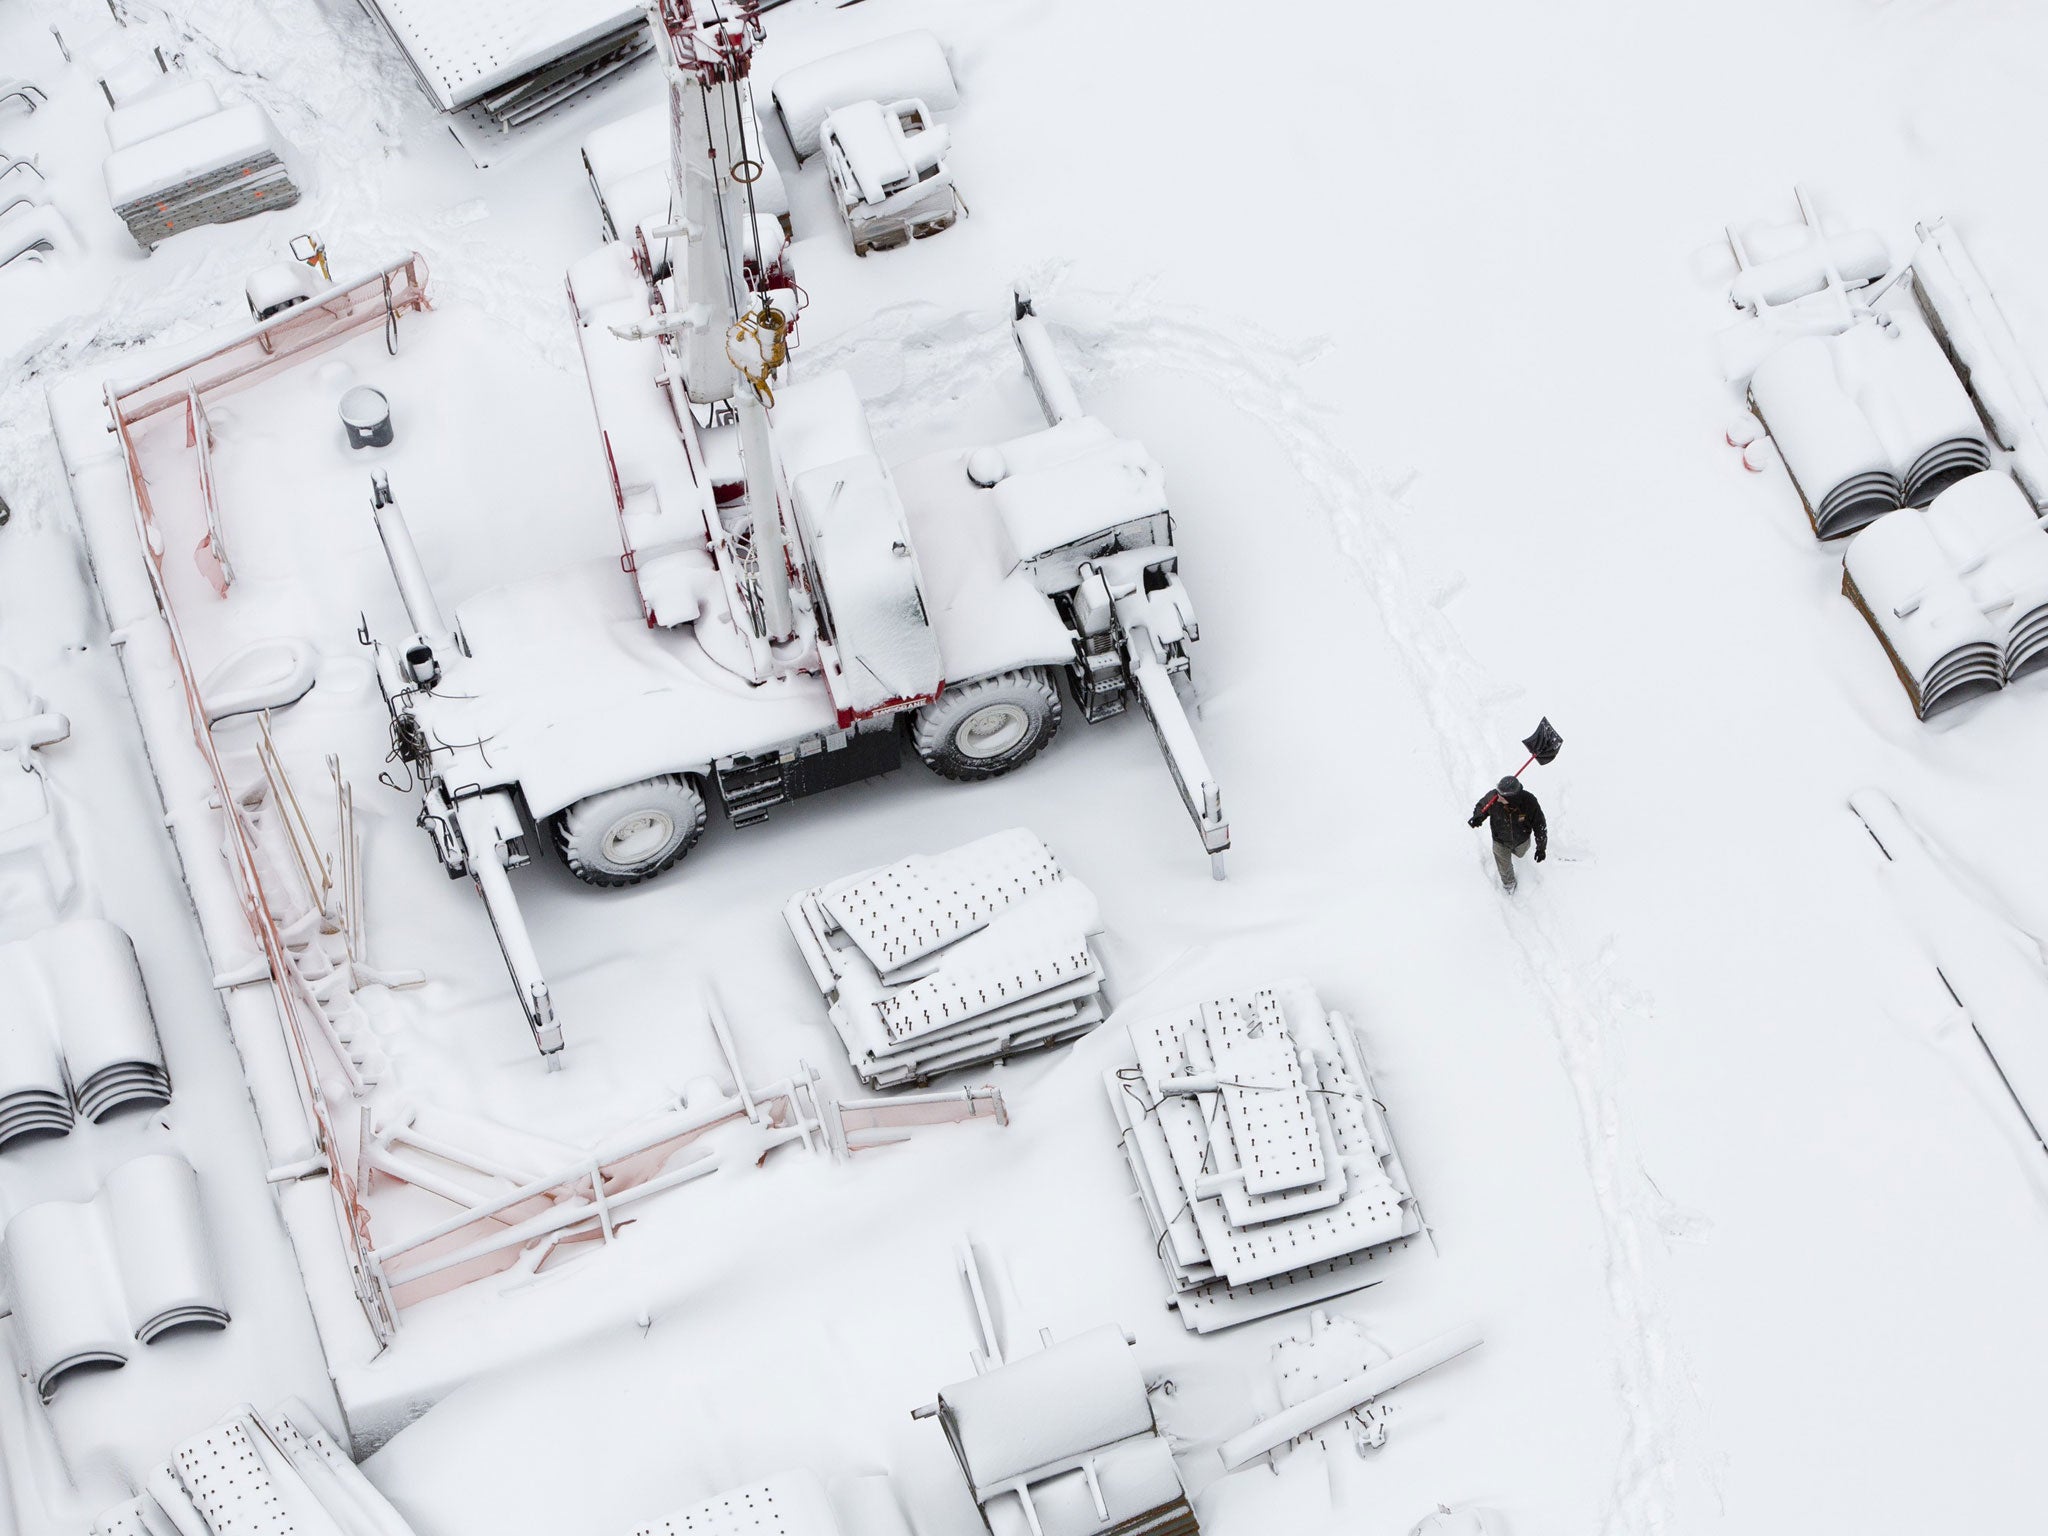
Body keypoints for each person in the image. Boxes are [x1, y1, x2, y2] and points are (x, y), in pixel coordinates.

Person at [1468, 775, 1546, 891]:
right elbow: (1481, 806)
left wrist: (1541, 848)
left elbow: (1540, 826)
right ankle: (1509, 884)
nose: (1497, 797)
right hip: (1500, 840)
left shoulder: (1529, 802)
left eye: (1501, 796)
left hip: (1521, 840)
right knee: (1504, 865)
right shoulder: (1494, 797)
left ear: (1512, 799)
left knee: (1520, 854)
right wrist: (1478, 816)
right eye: (1497, 793)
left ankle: (1515, 852)